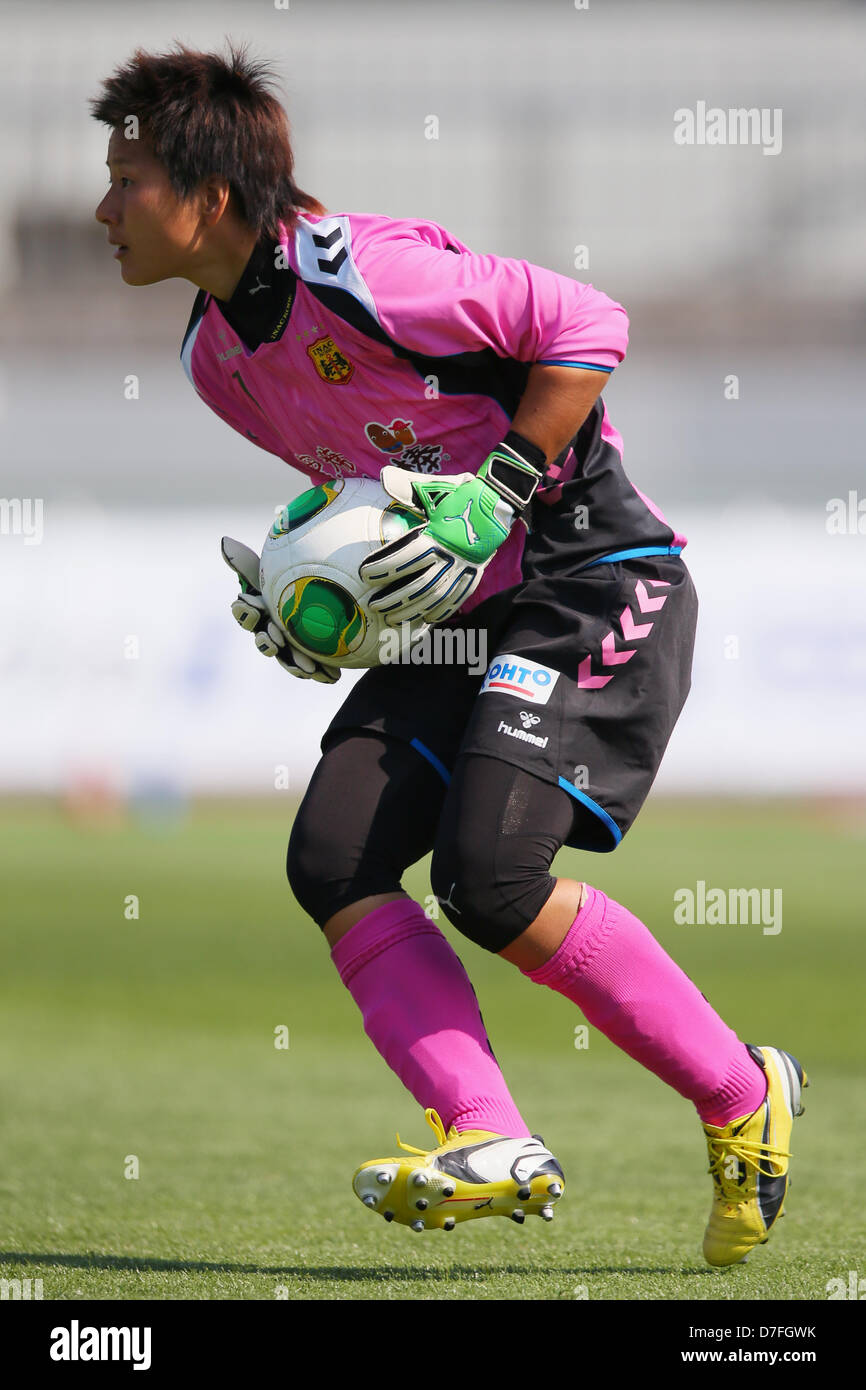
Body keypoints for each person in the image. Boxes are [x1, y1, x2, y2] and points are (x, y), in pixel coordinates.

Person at [91, 42, 806, 1265]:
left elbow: (587, 322)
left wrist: (505, 483)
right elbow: (375, 510)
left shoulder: (366, 271)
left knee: (488, 877)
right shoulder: (216, 363)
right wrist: (319, 605)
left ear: (209, 196)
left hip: (594, 578)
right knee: (332, 855)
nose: (105, 208)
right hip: (470, 616)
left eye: (128, 179)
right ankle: (489, 1135)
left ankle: (741, 1093)